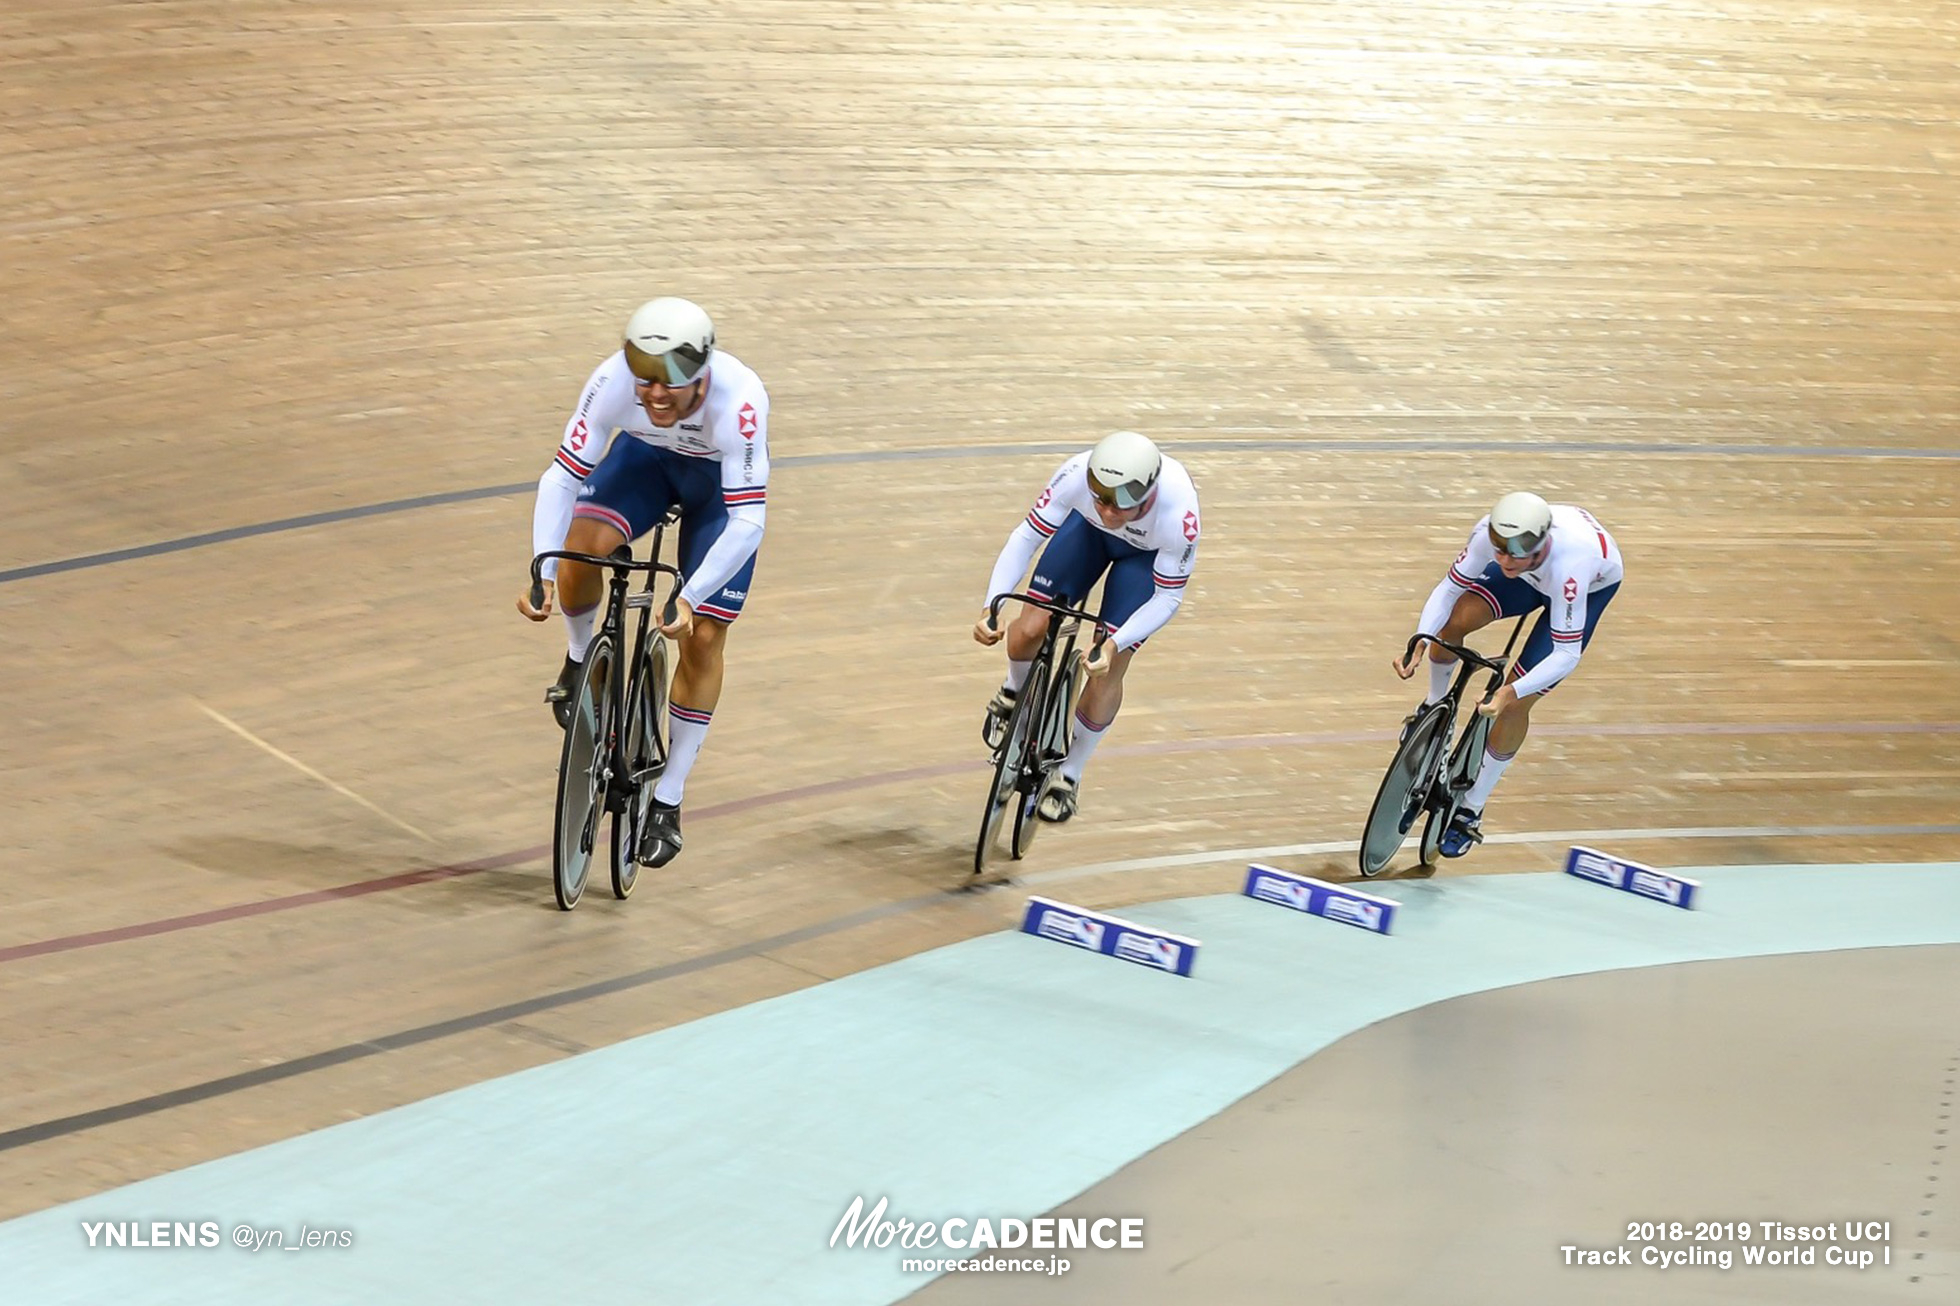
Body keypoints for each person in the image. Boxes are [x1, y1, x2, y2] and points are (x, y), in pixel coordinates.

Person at [516, 297, 770, 868]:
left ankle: (669, 798)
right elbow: (560, 478)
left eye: (673, 379)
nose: (655, 393)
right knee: (580, 547)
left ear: (703, 371)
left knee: (702, 636)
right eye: (645, 375)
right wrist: (544, 570)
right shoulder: (611, 381)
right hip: (645, 464)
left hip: (716, 492)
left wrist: (689, 597)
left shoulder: (741, 402)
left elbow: (748, 519)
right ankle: (584, 660)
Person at [972, 431, 1201, 822]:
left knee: (1106, 668)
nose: (1110, 512)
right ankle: (1014, 691)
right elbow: (1027, 535)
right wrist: (992, 602)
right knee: (1029, 628)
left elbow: (1167, 598)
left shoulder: (1179, 516)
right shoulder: (1076, 473)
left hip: (1142, 563)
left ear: (1149, 491)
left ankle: (1070, 774)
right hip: (1086, 537)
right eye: (1101, 497)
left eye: (1124, 501)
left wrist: (1114, 644)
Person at [1391, 491, 1624, 857]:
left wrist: (1509, 692)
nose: (1504, 559)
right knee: (1454, 623)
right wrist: (1419, 638)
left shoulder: (1571, 566)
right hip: (1533, 578)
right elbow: (1450, 588)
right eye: (1499, 550)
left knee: (1517, 704)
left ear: (1541, 543)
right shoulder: (1490, 535)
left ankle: (1471, 809)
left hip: (1586, 588)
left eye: (1515, 552)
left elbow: (1566, 654)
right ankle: (1432, 708)